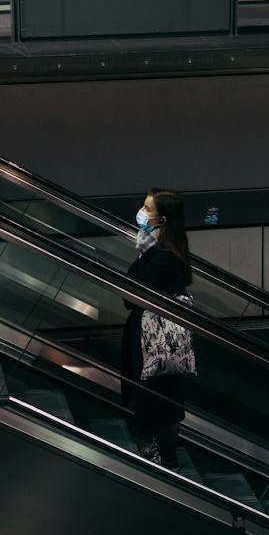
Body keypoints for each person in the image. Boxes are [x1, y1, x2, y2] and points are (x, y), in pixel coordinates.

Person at [122, 189, 193, 465]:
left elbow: (133, 296)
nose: (141, 212)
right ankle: (164, 455)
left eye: (147, 208)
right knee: (159, 397)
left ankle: (166, 459)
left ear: (162, 221)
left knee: (159, 399)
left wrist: (144, 253)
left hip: (154, 339)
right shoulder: (159, 252)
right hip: (151, 336)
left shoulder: (163, 257)